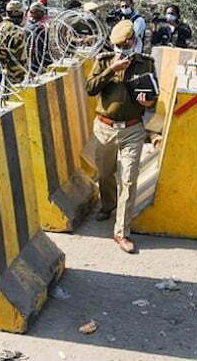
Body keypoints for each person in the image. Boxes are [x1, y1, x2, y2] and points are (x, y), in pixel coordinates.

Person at [86, 19, 155, 254]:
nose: (123, 48)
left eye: (127, 43)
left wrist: (150, 101)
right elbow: (90, 88)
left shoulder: (146, 63)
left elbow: (154, 95)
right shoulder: (104, 60)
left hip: (133, 130)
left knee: (128, 179)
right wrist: (110, 71)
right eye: (119, 45)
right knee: (105, 174)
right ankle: (107, 205)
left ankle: (121, 232)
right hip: (104, 129)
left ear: (134, 41)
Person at [0, 1, 28, 85]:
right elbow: (0, 54)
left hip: (10, 74)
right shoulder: (15, 30)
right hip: (14, 76)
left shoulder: (3, 26)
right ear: (17, 13)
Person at [25, 2, 52, 76]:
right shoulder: (38, 28)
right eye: (41, 12)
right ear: (35, 12)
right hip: (37, 61)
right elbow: (43, 47)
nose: (43, 14)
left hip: (30, 60)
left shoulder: (26, 24)